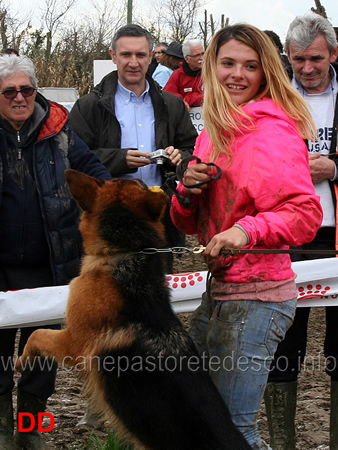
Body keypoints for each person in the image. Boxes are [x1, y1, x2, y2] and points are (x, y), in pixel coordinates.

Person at [169, 23, 323, 449]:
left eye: (251, 66)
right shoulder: (213, 130)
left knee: (234, 430)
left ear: (265, 72)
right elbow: (186, 224)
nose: (238, 74)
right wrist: (188, 189)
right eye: (228, 63)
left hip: (260, 296)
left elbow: (305, 213)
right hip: (220, 289)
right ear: (211, 68)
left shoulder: (273, 129)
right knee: (201, 416)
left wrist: (245, 229)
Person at [0, 54, 112, 450]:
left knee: (43, 360)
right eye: (9, 91)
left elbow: (95, 175)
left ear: (36, 91)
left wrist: (112, 203)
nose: (19, 97)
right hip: (0, 270)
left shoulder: (60, 131)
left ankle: (32, 430)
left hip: (50, 263)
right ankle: (1, 432)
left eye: (26, 90)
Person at [264, 12, 338, 450]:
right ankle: (282, 441)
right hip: (287, 234)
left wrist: (335, 167)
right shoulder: (273, 98)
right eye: (297, 61)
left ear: (333, 52)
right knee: (282, 340)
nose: (306, 68)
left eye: (314, 59)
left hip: (337, 235)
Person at [70, 24, 197, 273]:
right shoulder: (89, 106)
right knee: (111, 294)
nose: (133, 62)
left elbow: (192, 148)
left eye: (140, 55)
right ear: (113, 56)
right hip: (110, 217)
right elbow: (73, 159)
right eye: (126, 54)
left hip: (158, 212)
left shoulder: (171, 105)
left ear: (151, 57)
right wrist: (118, 159)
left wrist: (179, 157)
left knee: (157, 291)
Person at [163, 38, 204, 111]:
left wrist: (189, 99)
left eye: (203, 54)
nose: (202, 58)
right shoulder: (178, 74)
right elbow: (167, 95)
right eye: (197, 55)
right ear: (187, 59)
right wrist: (181, 102)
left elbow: (215, 95)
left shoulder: (211, 73)